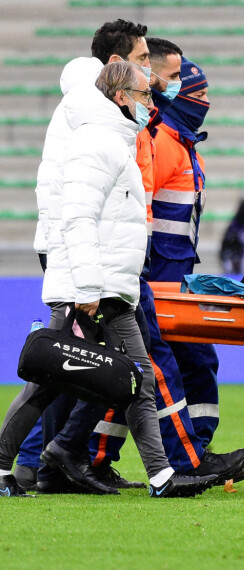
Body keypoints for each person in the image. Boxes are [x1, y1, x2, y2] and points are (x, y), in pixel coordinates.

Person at [0, 62, 217, 498]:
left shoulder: (113, 140)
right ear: (121, 97)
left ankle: (161, 476)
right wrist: (86, 290)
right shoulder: (98, 143)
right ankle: (6, 465)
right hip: (92, 290)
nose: (151, 106)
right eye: (144, 96)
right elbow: (78, 219)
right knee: (49, 384)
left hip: (110, 288)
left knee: (137, 378)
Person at [89, 40, 244, 486]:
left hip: (169, 274)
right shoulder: (161, 144)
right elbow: (136, 207)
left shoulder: (178, 144)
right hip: (153, 276)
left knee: (158, 366)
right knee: (159, 366)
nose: (202, 101)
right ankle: (181, 455)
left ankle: (92, 453)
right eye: (194, 92)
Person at [16, 19, 154, 494]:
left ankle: (52, 462)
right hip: (80, 257)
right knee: (63, 367)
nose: (149, 72)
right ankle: (44, 461)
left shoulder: (90, 111)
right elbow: (75, 205)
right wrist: (85, 280)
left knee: (76, 366)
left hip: (88, 256)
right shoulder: (90, 116)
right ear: (116, 68)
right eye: (142, 60)